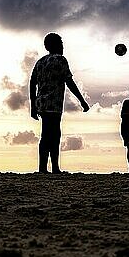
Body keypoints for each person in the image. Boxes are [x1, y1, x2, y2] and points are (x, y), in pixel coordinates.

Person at [30, 33, 90, 173]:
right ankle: (55, 167)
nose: (63, 47)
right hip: (54, 104)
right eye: (61, 44)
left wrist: (33, 105)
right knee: (54, 134)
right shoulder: (60, 60)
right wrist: (82, 101)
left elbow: (32, 83)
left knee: (46, 135)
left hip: (41, 103)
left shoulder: (40, 62)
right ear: (55, 45)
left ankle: (43, 167)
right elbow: (69, 82)